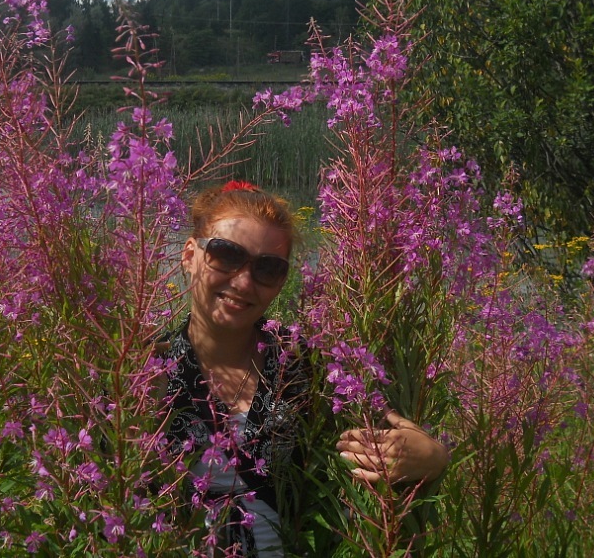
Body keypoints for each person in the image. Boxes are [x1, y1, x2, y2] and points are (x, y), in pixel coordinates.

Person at [157, 180, 449, 557]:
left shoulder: (302, 366)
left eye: (268, 268)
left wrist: (434, 457)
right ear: (189, 255)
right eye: (226, 254)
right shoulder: (143, 370)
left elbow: (381, 427)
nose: (243, 282)